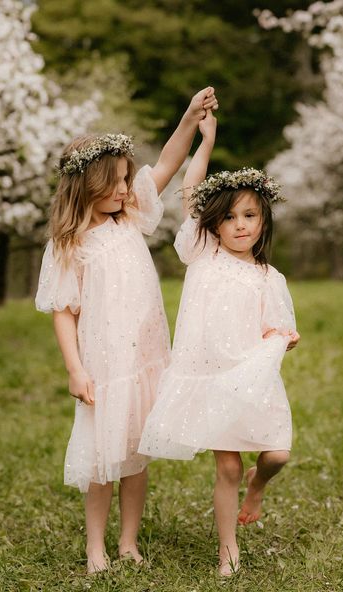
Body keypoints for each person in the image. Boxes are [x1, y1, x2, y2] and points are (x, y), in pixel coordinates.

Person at [35, 87, 219, 574]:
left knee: (138, 455)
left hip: (146, 357)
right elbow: (63, 311)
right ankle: (95, 547)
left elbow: (167, 163)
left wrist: (188, 118)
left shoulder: (131, 217)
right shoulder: (70, 243)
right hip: (105, 363)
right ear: (86, 186)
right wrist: (75, 370)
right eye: (115, 183)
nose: (125, 189)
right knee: (103, 460)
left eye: (125, 181)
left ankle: (128, 542)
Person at [139, 110, 300, 576]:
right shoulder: (203, 252)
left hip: (252, 375)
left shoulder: (270, 278)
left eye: (249, 215)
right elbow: (191, 190)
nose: (239, 225)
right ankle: (227, 548)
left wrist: (283, 338)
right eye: (229, 217)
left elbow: (276, 328)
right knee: (226, 467)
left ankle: (259, 485)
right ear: (214, 225)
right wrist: (205, 140)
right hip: (214, 378)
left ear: (263, 221)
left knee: (277, 455)